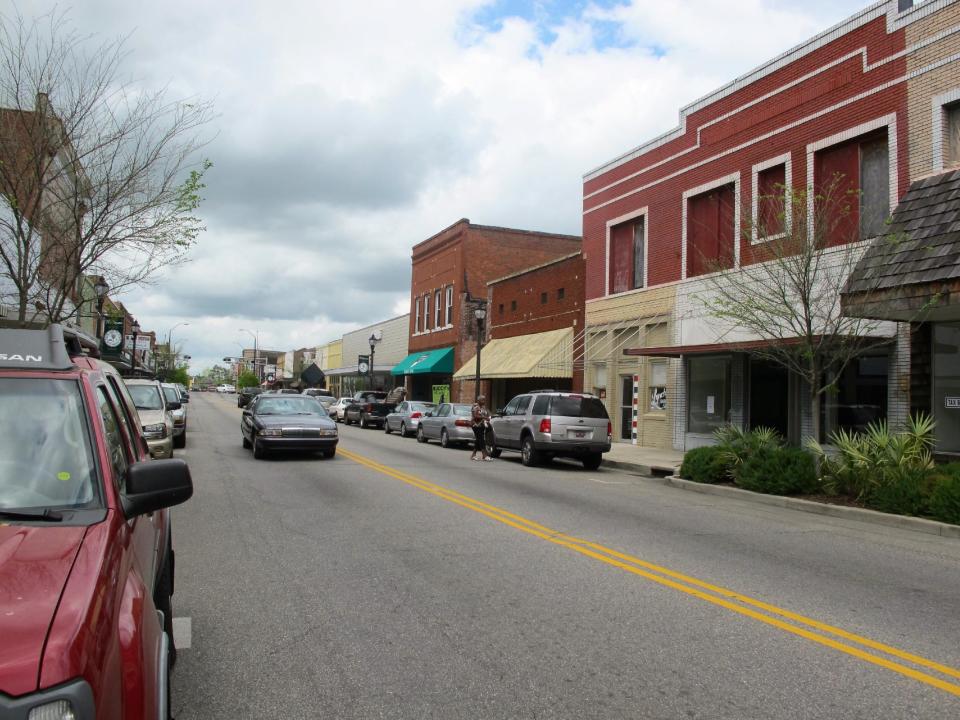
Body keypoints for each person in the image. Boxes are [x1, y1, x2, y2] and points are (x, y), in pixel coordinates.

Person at [470, 394, 492, 461]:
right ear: (478, 400)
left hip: (482, 425)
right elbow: (475, 416)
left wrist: (490, 416)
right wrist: (485, 417)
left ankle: (473, 455)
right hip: (475, 425)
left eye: (484, 400)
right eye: (482, 400)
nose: (484, 401)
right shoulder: (475, 406)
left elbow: (488, 413)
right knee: (481, 439)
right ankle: (484, 455)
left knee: (478, 440)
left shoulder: (483, 407)